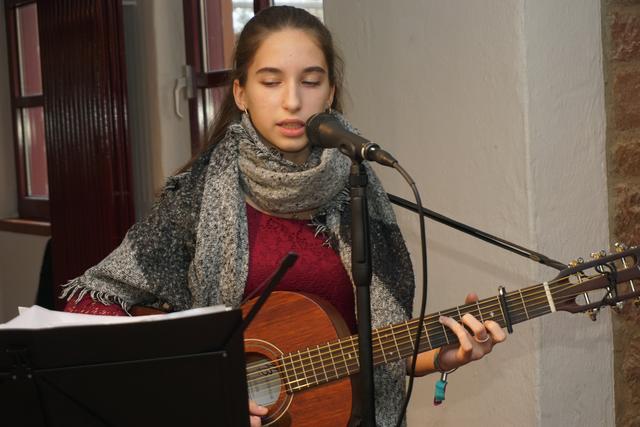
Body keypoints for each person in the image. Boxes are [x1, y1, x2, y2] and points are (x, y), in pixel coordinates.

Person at [62, 6, 506, 426]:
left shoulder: (360, 188)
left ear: (330, 92)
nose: (292, 101)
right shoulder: (196, 197)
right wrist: (199, 387)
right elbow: (91, 302)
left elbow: (381, 345)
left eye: (310, 82)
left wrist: (446, 354)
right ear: (241, 93)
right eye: (271, 82)